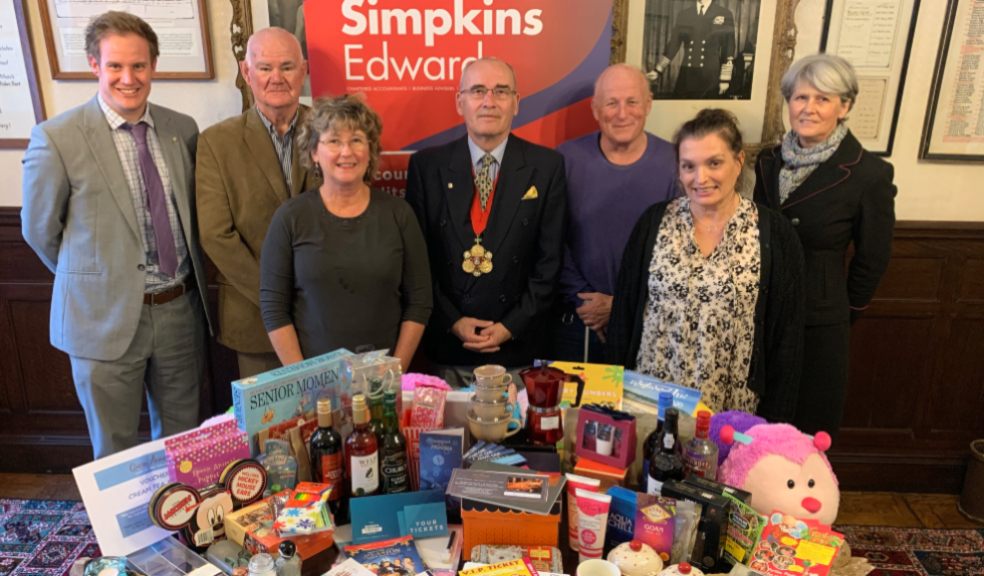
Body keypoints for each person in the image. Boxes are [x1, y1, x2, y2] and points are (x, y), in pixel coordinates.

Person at [21, 11, 210, 458]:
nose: (129, 78)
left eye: (139, 66)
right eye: (115, 66)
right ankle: (121, 532)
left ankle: (179, 529)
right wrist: (97, 279)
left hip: (178, 311)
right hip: (100, 319)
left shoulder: (181, 129)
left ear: (153, 67)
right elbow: (39, 231)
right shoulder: (57, 137)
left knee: (182, 445)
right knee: (114, 450)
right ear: (94, 66)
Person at [608, 109, 803, 422]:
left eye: (714, 163)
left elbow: (786, 342)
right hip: (649, 403)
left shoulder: (774, 235)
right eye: (689, 166)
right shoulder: (654, 223)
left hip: (731, 412)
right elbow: (622, 320)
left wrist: (774, 428)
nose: (700, 178)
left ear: (738, 162)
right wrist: (615, 405)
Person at [753, 54, 896, 435]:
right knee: (759, 424)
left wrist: (841, 309)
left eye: (822, 99)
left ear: (844, 106)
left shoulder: (869, 173)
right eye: (800, 98)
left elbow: (873, 257)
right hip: (762, 312)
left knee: (806, 428)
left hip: (820, 321)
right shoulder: (768, 161)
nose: (808, 108)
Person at [405, 58, 567, 378]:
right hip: (449, 348)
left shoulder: (547, 167)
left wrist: (511, 326)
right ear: (460, 101)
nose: (489, 102)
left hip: (519, 350)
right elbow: (417, 262)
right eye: (478, 91)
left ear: (516, 103)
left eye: (501, 91)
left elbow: (550, 262)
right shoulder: (427, 167)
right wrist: (452, 320)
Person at [260, 95, 432, 371]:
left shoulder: (399, 214)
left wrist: (394, 371)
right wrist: (302, 378)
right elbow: (273, 307)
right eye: (334, 141)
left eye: (356, 140)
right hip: (313, 382)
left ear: (370, 150)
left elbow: (420, 301)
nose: (346, 152)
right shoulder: (291, 218)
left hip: (384, 381)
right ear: (314, 151)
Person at [197, 27, 318, 379]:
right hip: (255, 321)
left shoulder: (331, 130)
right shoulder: (217, 142)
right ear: (246, 72)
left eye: (287, 66)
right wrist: (277, 298)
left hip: (325, 316)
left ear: (304, 70)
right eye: (265, 68)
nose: (276, 78)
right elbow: (216, 235)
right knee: (269, 431)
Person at [552, 64, 677, 362]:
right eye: (611, 103)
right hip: (579, 321)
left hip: (649, 322)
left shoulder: (676, 162)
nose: (622, 113)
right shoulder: (566, 159)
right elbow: (552, 240)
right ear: (596, 110)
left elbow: (678, 251)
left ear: (648, 105)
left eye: (632, 101)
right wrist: (586, 301)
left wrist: (622, 305)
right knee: (575, 409)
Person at [646, 0, 736, 99]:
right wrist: (658, 70)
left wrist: (725, 79)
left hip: (710, 77)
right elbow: (673, 44)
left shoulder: (724, 13)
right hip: (687, 74)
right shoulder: (685, 14)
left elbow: (728, 48)